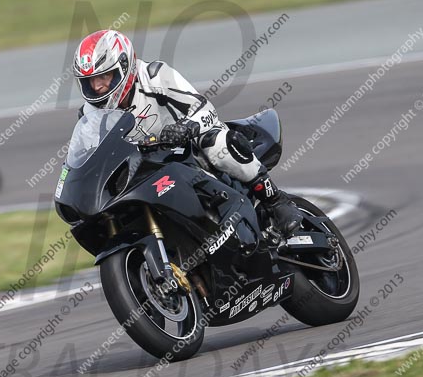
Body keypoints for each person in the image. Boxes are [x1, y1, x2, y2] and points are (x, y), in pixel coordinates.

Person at [72, 30, 302, 235]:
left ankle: (276, 201)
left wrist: (186, 127)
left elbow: (203, 108)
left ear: (124, 67)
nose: (97, 87)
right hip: (144, 166)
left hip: (187, 147)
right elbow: (93, 155)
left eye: (104, 77)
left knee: (216, 144)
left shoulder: (155, 76)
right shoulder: (89, 112)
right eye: (90, 81)